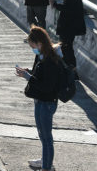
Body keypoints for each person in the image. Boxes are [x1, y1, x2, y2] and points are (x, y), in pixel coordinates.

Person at [15, 26, 61, 171]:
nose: (32, 49)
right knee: (42, 135)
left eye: (32, 46)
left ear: (40, 43)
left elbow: (46, 86)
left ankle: (47, 167)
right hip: (39, 100)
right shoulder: (41, 55)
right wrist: (28, 72)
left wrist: (27, 77)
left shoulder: (51, 59)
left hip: (47, 103)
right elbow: (39, 74)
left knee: (47, 138)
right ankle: (45, 161)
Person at [50, 0, 86, 73]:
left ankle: (71, 67)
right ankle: (70, 67)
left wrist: (55, 5)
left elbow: (67, 9)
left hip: (68, 26)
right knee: (66, 46)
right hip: (71, 26)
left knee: (66, 47)